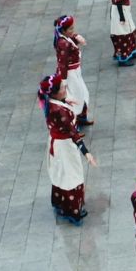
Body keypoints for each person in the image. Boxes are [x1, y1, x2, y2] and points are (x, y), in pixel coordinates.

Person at [37, 74, 97, 225]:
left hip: (57, 143)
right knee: (72, 176)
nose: (65, 89)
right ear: (55, 93)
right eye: (63, 88)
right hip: (64, 146)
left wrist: (63, 101)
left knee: (61, 173)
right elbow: (73, 133)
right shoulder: (59, 111)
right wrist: (86, 152)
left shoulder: (49, 103)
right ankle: (72, 211)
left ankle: (61, 204)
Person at [53, 15, 93, 126]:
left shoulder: (66, 38)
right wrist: (64, 80)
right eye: (70, 29)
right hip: (70, 75)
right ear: (63, 30)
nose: (73, 31)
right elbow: (63, 63)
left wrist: (76, 37)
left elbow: (71, 39)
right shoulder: (63, 44)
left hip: (75, 72)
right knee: (75, 97)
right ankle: (73, 125)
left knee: (82, 93)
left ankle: (82, 118)